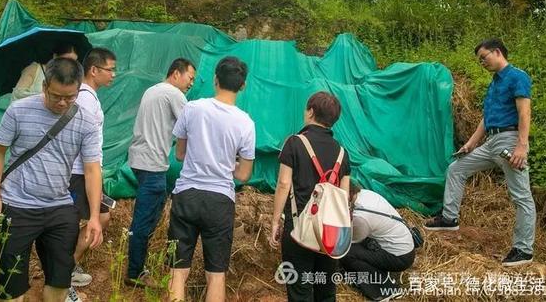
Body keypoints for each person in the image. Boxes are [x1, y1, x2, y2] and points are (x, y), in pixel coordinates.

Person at [0, 58, 103, 302]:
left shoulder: (86, 121)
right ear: (44, 86)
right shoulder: (19, 110)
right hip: (18, 206)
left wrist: (93, 216)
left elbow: (92, 169)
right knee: (10, 287)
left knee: (59, 282)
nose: (62, 103)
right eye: (56, 96)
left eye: (70, 97)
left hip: (59, 206)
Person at [424, 38, 536, 266]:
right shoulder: (494, 83)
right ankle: (449, 218)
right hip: (492, 142)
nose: (482, 63)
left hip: (509, 141)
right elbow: (487, 119)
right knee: (456, 169)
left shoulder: (517, 76)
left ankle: (523, 250)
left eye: (484, 58)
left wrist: (522, 145)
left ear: (497, 52)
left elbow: (524, 112)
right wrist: (471, 144)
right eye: (480, 60)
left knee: (521, 196)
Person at [166, 56, 256, 302]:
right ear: (243, 86)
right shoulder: (246, 123)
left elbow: (180, 154)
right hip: (220, 201)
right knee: (216, 275)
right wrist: (227, 164)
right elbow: (244, 174)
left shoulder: (193, 108)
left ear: (215, 79)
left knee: (177, 272)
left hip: (187, 195)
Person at [269, 91, 351, 302]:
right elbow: (344, 197)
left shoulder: (294, 143)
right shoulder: (342, 153)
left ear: (311, 112)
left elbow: (284, 184)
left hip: (299, 228)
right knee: (326, 290)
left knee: (300, 290)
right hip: (330, 231)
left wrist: (275, 221)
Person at [125, 58, 196, 287]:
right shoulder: (173, 94)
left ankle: (141, 263)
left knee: (151, 213)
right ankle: (135, 272)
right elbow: (193, 125)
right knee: (144, 220)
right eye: (190, 78)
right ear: (176, 74)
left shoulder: (152, 90)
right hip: (152, 164)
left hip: (140, 160)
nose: (191, 83)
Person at [66, 48, 116, 301]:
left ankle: (69, 265)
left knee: (102, 216)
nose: (113, 74)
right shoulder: (85, 99)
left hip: (88, 170)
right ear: (94, 70)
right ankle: (64, 273)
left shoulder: (89, 96)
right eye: (110, 69)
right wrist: (90, 170)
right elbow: (79, 139)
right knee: (78, 222)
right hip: (80, 171)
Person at [340, 183, 415, 301]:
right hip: (404, 245)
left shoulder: (361, 217)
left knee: (348, 253)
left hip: (400, 257)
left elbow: (351, 241)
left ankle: (385, 289)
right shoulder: (365, 194)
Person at [11, 43, 78, 102]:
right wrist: (46, 95)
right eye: (65, 60)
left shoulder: (74, 78)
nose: (69, 64)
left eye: (73, 61)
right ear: (55, 56)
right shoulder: (35, 69)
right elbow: (17, 94)